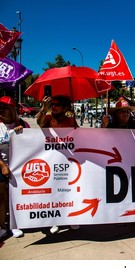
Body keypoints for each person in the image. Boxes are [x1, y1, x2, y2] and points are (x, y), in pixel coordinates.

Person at [36, 95, 79, 233]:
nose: (53, 106)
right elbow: (40, 124)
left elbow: (80, 136)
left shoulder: (71, 120)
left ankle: (71, 218)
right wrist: (44, 109)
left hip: (68, 161)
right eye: (52, 104)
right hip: (51, 161)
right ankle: (55, 220)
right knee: (53, 191)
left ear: (65, 107)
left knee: (69, 190)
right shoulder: (48, 118)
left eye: (57, 104)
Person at [0, 96, 30, 239]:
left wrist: (23, 134)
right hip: (2, 167)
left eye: (4, 108)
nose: (1, 111)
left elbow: (32, 144)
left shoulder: (23, 124)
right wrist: (3, 166)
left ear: (12, 110)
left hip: (20, 168)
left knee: (17, 197)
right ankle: (3, 226)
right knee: (3, 198)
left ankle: (16, 223)